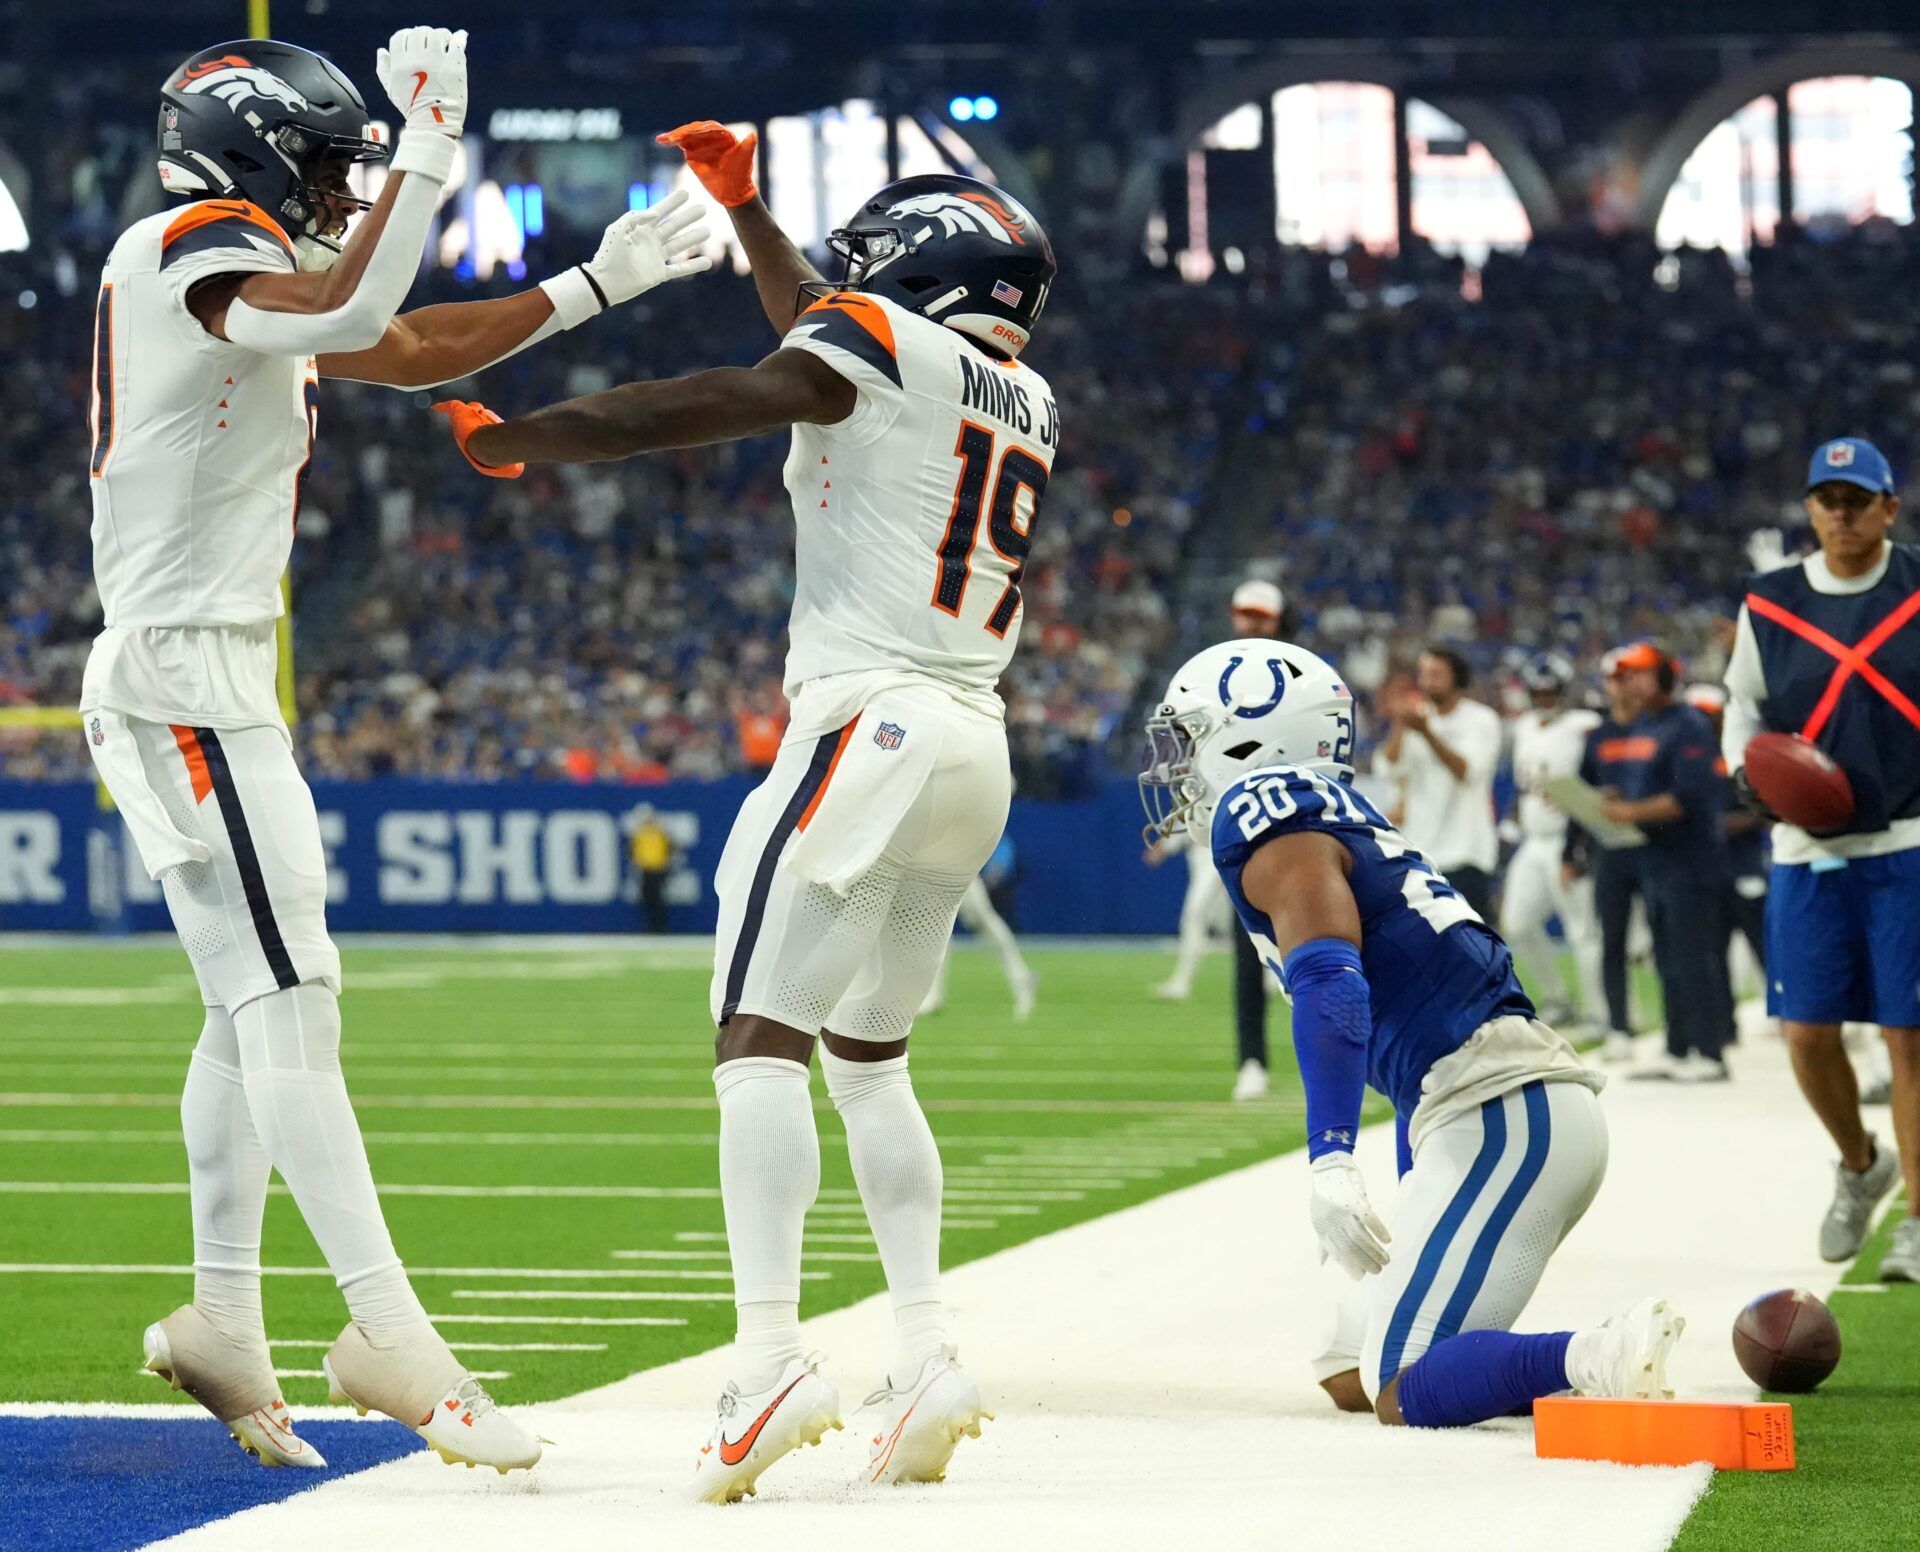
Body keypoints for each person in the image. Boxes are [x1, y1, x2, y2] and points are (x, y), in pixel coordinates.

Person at [80, 32, 708, 1472]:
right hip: (183, 674)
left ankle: (228, 1314)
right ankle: (387, 1333)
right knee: (286, 992)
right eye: (321, 160)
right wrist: (432, 140)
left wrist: (597, 284)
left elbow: (411, 344)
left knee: (266, 995)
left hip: (211, 674)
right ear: (240, 153)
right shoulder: (184, 246)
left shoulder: (232, 275)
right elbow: (374, 294)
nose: (337, 187)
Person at [435, 125, 1059, 1496]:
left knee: (755, 1037)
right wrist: (750, 213)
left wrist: (531, 436)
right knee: (871, 1060)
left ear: (920, 264)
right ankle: (924, 1352)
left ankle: (768, 1359)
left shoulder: (880, 354)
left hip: (871, 723)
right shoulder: (1022, 392)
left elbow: (721, 393)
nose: (849, 271)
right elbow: (822, 337)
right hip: (973, 737)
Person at [1139, 638, 1681, 1428]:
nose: (1179, 763)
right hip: (1494, 1107)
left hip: (1504, 1112)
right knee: (1346, 1366)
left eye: (1191, 735)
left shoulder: (1266, 809)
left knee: (1403, 1382)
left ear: (1250, 732)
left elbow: (1332, 980)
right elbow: (1407, 1042)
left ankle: (1594, 1354)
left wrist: (1329, 1156)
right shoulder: (1327, 808)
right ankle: (1535, 1366)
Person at [1723, 437, 1920, 1281]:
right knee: (1805, 1035)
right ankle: (1859, 1162)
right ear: (1809, 509)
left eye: (1856, 498)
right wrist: (1744, 772)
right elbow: (1744, 705)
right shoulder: (1769, 603)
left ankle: (1916, 1220)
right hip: (1806, 848)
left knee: (1907, 1038)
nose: (1840, 513)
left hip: (1908, 837)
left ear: (1888, 507)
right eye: (1826, 499)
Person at [1582, 644, 1733, 1082]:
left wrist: (1630, 812)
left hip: (1690, 859)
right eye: (1626, 675)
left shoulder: (1688, 724)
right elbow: (1641, 790)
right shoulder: (1646, 725)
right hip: (1656, 860)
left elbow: (1685, 797)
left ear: (1665, 675)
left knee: (1692, 955)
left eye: (1640, 674)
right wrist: (1616, 800)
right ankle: (1677, 1047)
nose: (1629, 683)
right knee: (1665, 956)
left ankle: (1710, 1052)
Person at [1501, 653, 1604, 1031]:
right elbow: (1523, 785)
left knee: (1583, 931)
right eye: (1539, 692)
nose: (1545, 698)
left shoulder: (1584, 724)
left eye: (1552, 691)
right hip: (1534, 839)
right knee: (1517, 924)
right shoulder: (1523, 727)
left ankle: (1599, 1014)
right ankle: (1558, 999)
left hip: (1570, 837)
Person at [1219, 578, 1288, 1097]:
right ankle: (1252, 1060)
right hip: (1239, 827)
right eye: (1244, 614)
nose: (1250, 624)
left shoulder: (1302, 676)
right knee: (1246, 953)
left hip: (1293, 825)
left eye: (1259, 616)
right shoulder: (1213, 675)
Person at [1378, 646, 1502, 922]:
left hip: (1467, 850)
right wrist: (1401, 724)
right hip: (1420, 850)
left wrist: (1427, 733)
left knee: (1473, 944)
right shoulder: (1417, 717)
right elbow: (1387, 767)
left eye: (1436, 674)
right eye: (1423, 674)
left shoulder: (1480, 719)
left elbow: (1467, 771)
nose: (1426, 682)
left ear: (1456, 679)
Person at [1682, 684, 1768, 1007]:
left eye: (1707, 715)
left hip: (1744, 860)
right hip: (1706, 868)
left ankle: (1782, 1013)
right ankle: (1724, 1028)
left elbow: (1763, 810)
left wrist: (1726, 824)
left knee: (1762, 941)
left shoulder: (1739, 753)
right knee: (1712, 951)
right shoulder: (1690, 758)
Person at [918, 841, 1038, 1021]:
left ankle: (1021, 976)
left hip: (954, 867)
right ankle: (933, 996)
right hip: (928, 868)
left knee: (982, 921)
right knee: (935, 928)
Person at [630, 805, 675, 933]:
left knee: (657, 901)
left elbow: (669, 850)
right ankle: (651, 927)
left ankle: (659, 927)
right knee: (648, 901)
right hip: (646, 871)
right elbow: (634, 852)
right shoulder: (640, 834)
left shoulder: (659, 833)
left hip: (657, 870)